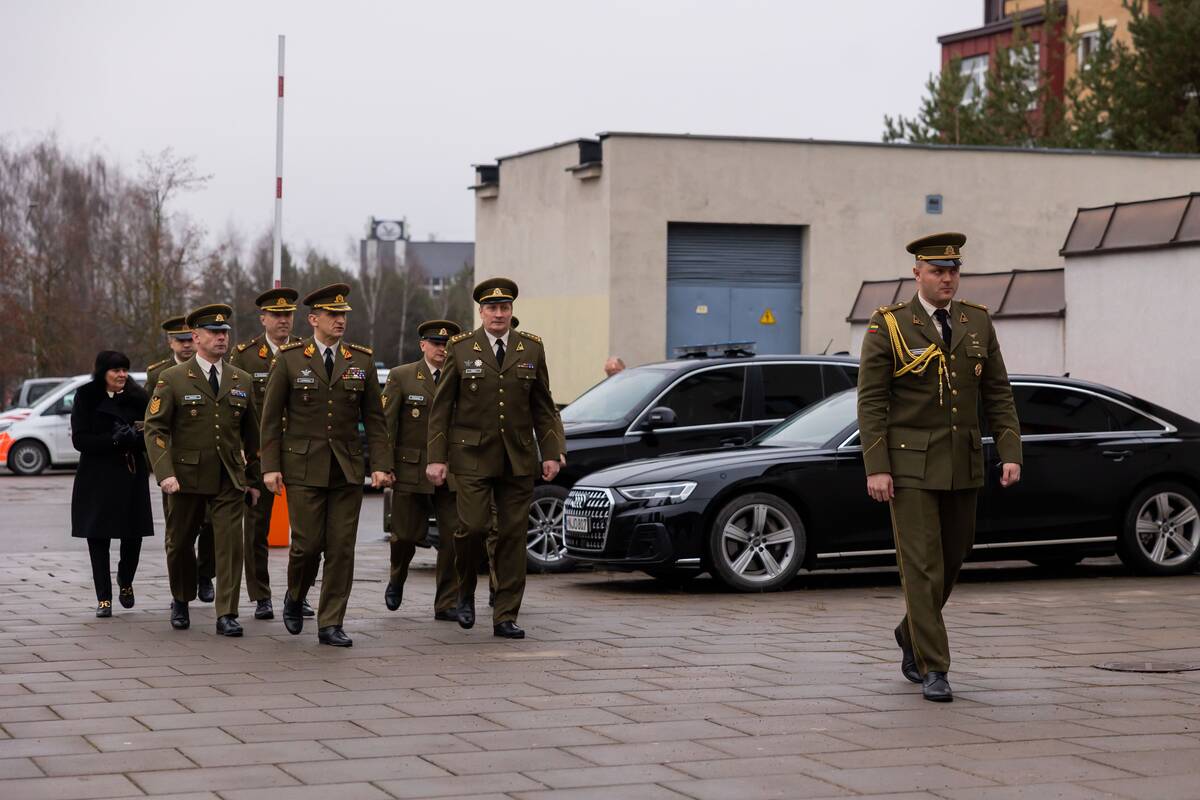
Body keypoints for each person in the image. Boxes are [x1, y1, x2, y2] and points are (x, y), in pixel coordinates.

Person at [857, 232, 1022, 702]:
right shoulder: (889, 325)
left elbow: (998, 393)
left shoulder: (977, 322)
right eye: (937, 271)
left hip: (963, 461)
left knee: (954, 555)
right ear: (917, 273)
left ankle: (910, 632)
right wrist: (877, 466)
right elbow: (871, 403)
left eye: (953, 270)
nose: (947, 278)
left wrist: (1010, 451)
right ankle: (935, 667)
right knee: (922, 566)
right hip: (908, 466)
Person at [426, 277, 562, 639]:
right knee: (472, 528)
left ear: (511, 311)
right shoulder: (460, 347)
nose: (498, 314)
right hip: (470, 456)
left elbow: (544, 406)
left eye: (504, 308)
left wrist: (551, 451)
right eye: (492, 308)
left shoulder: (530, 348)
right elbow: (441, 410)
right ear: (481, 312)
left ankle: (505, 614)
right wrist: (436, 458)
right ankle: (465, 591)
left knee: (513, 537)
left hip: (517, 457)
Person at [260, 283, 392, 647]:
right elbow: (270, 419)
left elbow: (376, 420)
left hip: (347, 468)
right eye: (333, 315)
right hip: (303, 468)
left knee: (341, 548)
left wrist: (380, 464)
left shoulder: (360, 360)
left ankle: (330, 621)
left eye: (344, 315)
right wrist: (270, 466)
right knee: (306, 545)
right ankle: (295, 594)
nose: (340, 321)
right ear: (313, 319)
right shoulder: (289, 359)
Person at [144, 303, 260, 636]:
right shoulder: (172, 378)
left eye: (225, 332)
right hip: (184, 477)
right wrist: (164, 472)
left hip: (227, 477)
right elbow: (155, 429)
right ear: (196, 337)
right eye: (214, 332)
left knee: (230, 545)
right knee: (180, 543)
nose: (222, 338)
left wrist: (251, 479)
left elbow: (252, 436)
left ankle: (227, 612)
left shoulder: (242, 379)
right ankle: (181, 598)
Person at [229, 287, 311, 622]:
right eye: (276, 316)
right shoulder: (246, 356)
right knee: (257, 527)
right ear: (263, 318)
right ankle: (261, 595)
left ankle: (298, 593)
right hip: (260, 453)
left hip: (302, 452)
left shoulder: (305, 351)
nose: (283, 321)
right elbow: (235, 407)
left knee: (306, 531)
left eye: (288, 315)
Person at [381, 319, 463, 620]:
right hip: (411, 469)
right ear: (423, 345)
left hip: (451, 469)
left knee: (454, 537)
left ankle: (446, 602)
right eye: (436, 343)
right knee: (403, 536)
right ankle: (397, 578)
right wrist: (384, 466)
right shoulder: (403, 376)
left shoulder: (461, 376)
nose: (442, 349)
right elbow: (387, 425)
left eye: (446, 344)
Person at [71, 351, 154, 617]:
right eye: (116, 370)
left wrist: (134, 439)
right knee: (98, 536)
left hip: (130, 474)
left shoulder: (139, 398)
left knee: (133, 533)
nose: (122, 375)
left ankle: (125, 580)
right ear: (102, 372)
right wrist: (113, 440)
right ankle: (103, 598)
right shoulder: (86, 396)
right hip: (96, 477)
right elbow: (80, 440)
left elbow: (154, 434)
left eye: (124, 370)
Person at [145, 316, 216, 605]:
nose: (186, 345)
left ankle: (204, 575)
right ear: (170, 343)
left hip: (209, 462)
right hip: (176, 464)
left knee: (211, 524)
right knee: (178, 532)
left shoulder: (216, 369)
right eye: (180, 341)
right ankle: (181, 588)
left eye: (190, 339)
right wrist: (161, 467)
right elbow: (155, 421)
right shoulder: (158, 373)